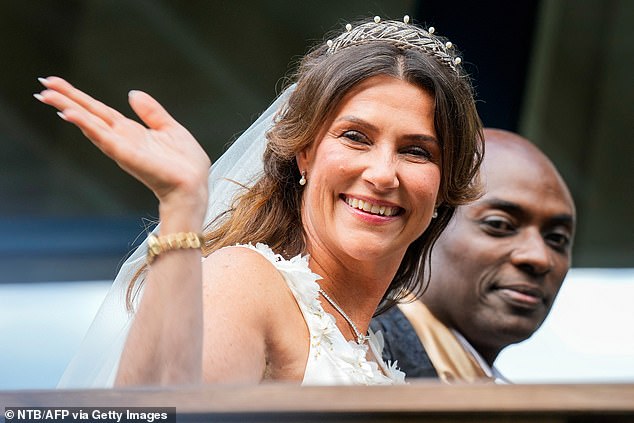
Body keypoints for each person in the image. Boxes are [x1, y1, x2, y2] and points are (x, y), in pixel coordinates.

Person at [35, 16, 483, 386]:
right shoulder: (249, 282)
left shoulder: (378, 356)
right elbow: (164, 410)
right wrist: (181, 207)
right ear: (304, 153)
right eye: (355, 138)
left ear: (444, 187)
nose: (383, 174)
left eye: (416, 151)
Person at [371, 128, 576, 383]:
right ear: (427, 224)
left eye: (557, 239)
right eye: (499, 224)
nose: (539, 258)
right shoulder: (356, 357)